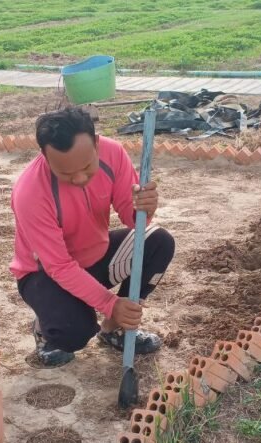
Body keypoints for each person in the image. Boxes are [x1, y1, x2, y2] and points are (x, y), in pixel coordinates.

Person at [9, 107, 175, 367]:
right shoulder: (30, 193)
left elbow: (132, 219)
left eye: (87, 167)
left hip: (95, 256)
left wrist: (145, 207)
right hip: (44, 274)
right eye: (65, 173)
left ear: (96, 143)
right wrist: (110, 302)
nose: (78, 178)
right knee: (74, 332)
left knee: (159, 242)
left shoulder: (113, 154)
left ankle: (114, 328)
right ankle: (44, 328)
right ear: (44, 156)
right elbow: (59, 266)